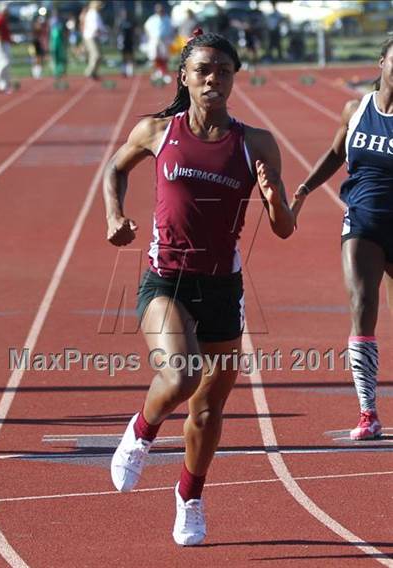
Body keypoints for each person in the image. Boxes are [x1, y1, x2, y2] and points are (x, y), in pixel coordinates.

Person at [103, 30, 294, 546]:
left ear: (235, 78)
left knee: (208, 411)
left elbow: (284, 228)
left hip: (222, 288)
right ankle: (141, 432)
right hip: (164, 279)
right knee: (181, 376)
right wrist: (114, 214)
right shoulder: (156, 132)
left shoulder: (255, 142)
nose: (214, 79)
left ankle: (189, 496)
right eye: (204, 69)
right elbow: (114, 170)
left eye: (224, 71)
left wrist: (274, 196)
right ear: (184, 76)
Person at [291, 38, 393, 441]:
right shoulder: (357, 109)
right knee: (362, 304)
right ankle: (368, 410)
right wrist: (304, 189)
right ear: (382, 60)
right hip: (363, 222)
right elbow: (336, 153)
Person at [144, 3, 175, 83]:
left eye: (161, 10)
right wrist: (150, 37)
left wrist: (170, 39)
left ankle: (164, 73)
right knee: (154, 57)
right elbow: (146, 27)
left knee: (164, 57)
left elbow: (171, 29)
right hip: (154, 40)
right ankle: (156, 73)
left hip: (165, 40)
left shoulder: (167, 19)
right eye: (158, 10)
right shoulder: (152, 19)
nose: (159, 11)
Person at [83, 0, 107, 80]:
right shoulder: (92, 14)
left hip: (94, 37)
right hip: (91, 37)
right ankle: (89, 72)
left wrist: (104, 31)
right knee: (96, 55)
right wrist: (103, 32)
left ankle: (94, 73)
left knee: (99, 56)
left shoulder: (96, 14)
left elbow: (100, 26)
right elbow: (95, 27)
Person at [117, 8, 136, 78]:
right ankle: (123, 71)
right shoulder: (120, 22)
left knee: (131, 56)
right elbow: (118, 32)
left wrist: (135, 41)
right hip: (123, 42)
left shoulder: (131, 22)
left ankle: (130, 72)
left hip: (130, 41)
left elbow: (134, 32)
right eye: (123, 14)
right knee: (123, 57)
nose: (125, 15)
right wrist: (119, 41)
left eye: (126, 14)